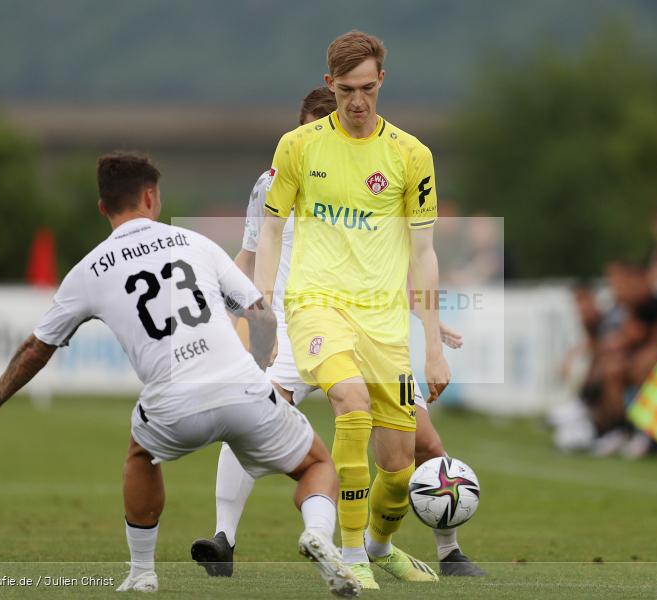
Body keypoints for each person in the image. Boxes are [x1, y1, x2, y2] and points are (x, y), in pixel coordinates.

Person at [0, 152, 361, 597]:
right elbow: (261, 316)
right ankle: (319, 534)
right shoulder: (194, 242)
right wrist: (258, 369)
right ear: (151, 196)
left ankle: (143, 573)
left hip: (173, 403)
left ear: (102, 207)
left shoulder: (89, 270)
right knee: (317, 464)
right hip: (242, 387)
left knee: (141, 456)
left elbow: (38, 347)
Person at [192, 86, 484, 580]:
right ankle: (225, 537)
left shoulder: (380, 167)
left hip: (368, 325)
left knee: (423, 442)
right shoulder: (274, 181)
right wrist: (231, 313)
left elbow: (390, 257)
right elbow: (247, 252)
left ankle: (444, 549)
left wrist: (423, 315)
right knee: (250, 424)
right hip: (295, 324)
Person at [253, 31, 451, 589]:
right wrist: (262, 298)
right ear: (328, 85)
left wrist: (432, 346)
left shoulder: (412, 156)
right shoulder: (298, 145)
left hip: (385, 324)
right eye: (345, 90)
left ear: (382, 81)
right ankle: (350, 555)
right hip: (316, 306)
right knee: (350, 403)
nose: (357, 101)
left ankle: (380, 546)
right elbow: (270, 228)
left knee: (398, 463)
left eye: (367, 88)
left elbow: (425, 254)